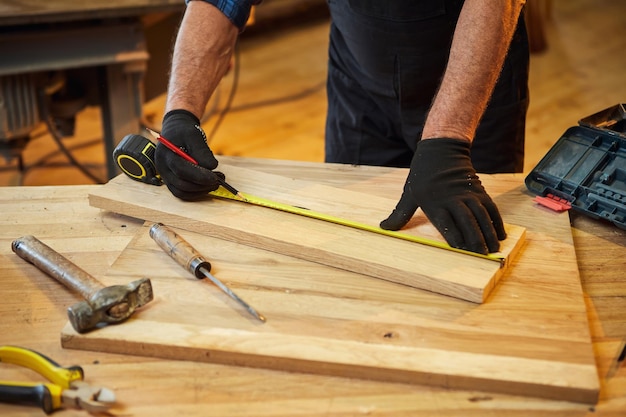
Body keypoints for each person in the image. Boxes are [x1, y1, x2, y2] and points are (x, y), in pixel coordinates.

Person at [155, 0, 530, 255]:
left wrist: (447, 140)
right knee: (353, 243)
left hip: (472, 93)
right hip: (360, 87)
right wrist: (180, 113)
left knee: (475, 250)